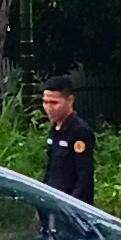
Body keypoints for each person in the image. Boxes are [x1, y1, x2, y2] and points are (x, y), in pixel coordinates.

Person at [41, 73, 97, 206]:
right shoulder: (55, 130)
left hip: (71, 205)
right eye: (45, 102)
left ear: (70, 101)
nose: (49, 108)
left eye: (54, 103)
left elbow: (84, 177)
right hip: (53, 200)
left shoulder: (79, 131)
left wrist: (72, 207)